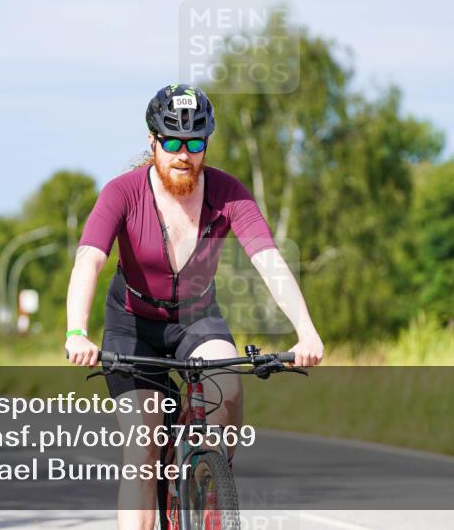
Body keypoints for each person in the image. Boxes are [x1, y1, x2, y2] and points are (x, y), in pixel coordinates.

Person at [64, 85, 324, 530]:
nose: (183, 154)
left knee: (229, 387)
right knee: (143, 447)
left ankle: (209, 482)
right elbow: (89, 259)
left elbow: (269, 261)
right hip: (132, 323)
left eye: (195, 143)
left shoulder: (228, 193)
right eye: (171, 143)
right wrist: (75, 331)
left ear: (207, 144)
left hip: (196, 319)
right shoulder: (122, 193)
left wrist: (306, 330)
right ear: (152, 142)